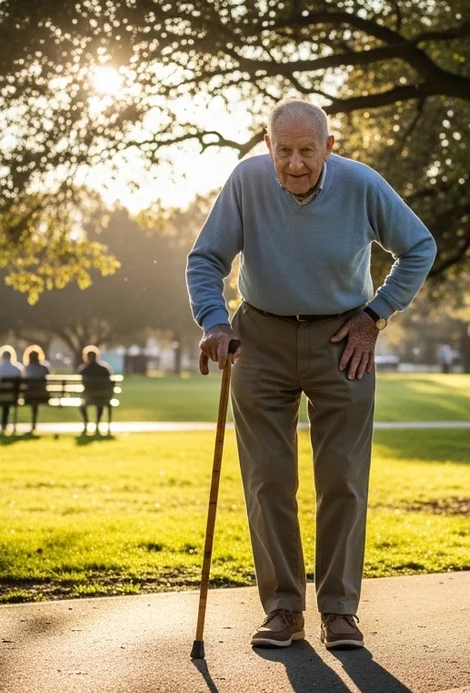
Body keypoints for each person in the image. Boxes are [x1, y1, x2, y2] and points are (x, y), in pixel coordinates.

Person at [187, 98, 436, 650]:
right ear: (267, 146)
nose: (295, 163)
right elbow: (206, 259)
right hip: (260, 338)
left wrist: (375, 316)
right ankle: (283, 608)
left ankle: (340, 611)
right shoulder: (246, 181)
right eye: (284, 151)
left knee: (342, 478)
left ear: (329, 147)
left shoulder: (362, 184)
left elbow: (419, 247)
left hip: (343, 339)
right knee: (268, 479)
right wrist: (214, 320)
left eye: (307, 150)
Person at [76, 345, 113, 436]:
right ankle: (97, 423)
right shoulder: (104, 369)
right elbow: (110, 383)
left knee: (82, 404)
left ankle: (86, 422)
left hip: (88, 397)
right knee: (100, 404)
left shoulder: (83, 370)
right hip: (103, 396)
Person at [22, 345, 51, 433]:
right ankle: (34, 423)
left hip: (29, 397)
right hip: (43, 396)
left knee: (32, 394)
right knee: (36, 393)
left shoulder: (26, 368)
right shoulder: (44, 368)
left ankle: (33, 423)